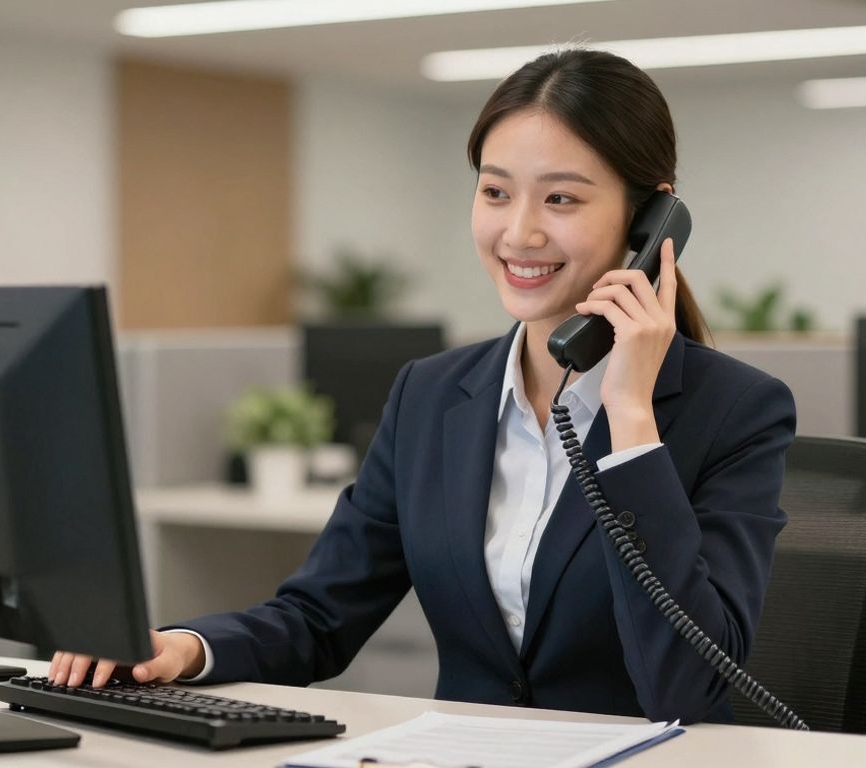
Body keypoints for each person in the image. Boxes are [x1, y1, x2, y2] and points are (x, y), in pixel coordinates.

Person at [49, 48, 796, 725]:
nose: (519, 233)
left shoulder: (737, 412)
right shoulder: (432, 396)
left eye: (561, 199)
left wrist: (630, 417)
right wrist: (182, 647)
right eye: (496, 192)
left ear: (650, 221)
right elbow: (319, 616)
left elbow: (686, 689)